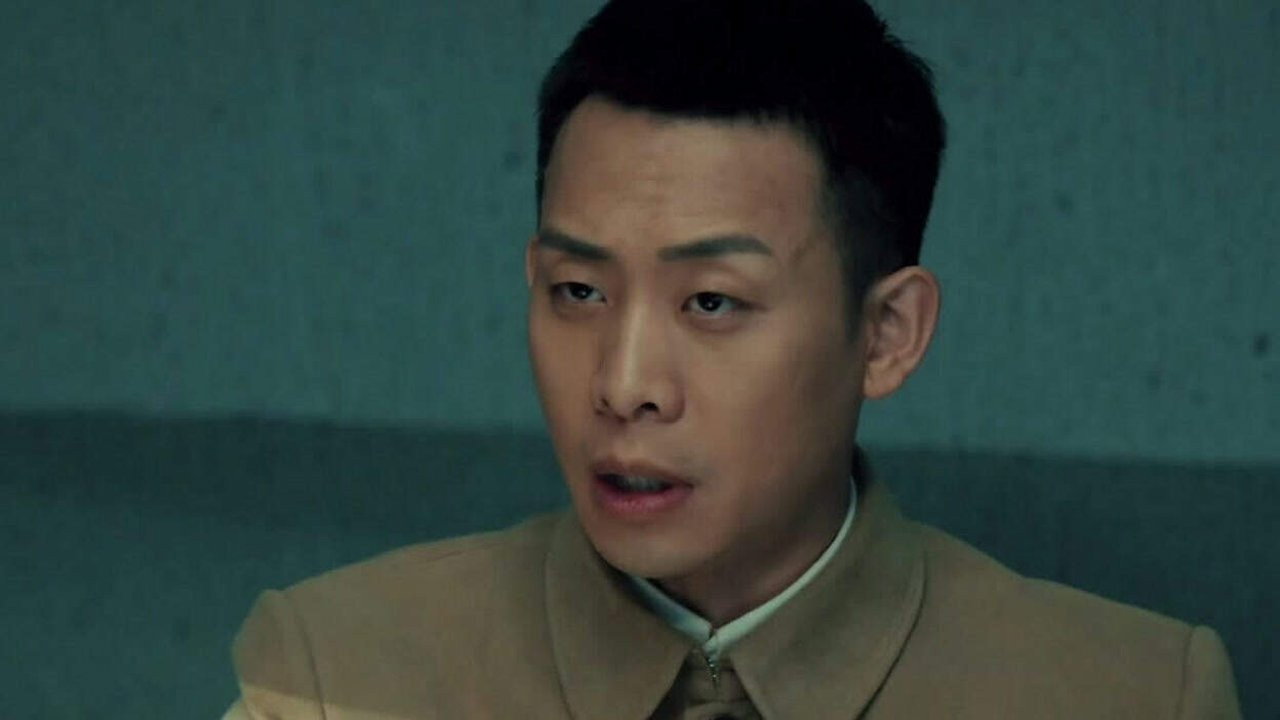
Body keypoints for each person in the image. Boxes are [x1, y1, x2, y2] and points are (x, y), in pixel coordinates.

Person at [224, 0, 1241, 717]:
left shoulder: (1131, 694)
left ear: (888, 334)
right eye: (577, 292)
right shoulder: (332, 677)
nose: (623, 385)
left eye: (711, 302)